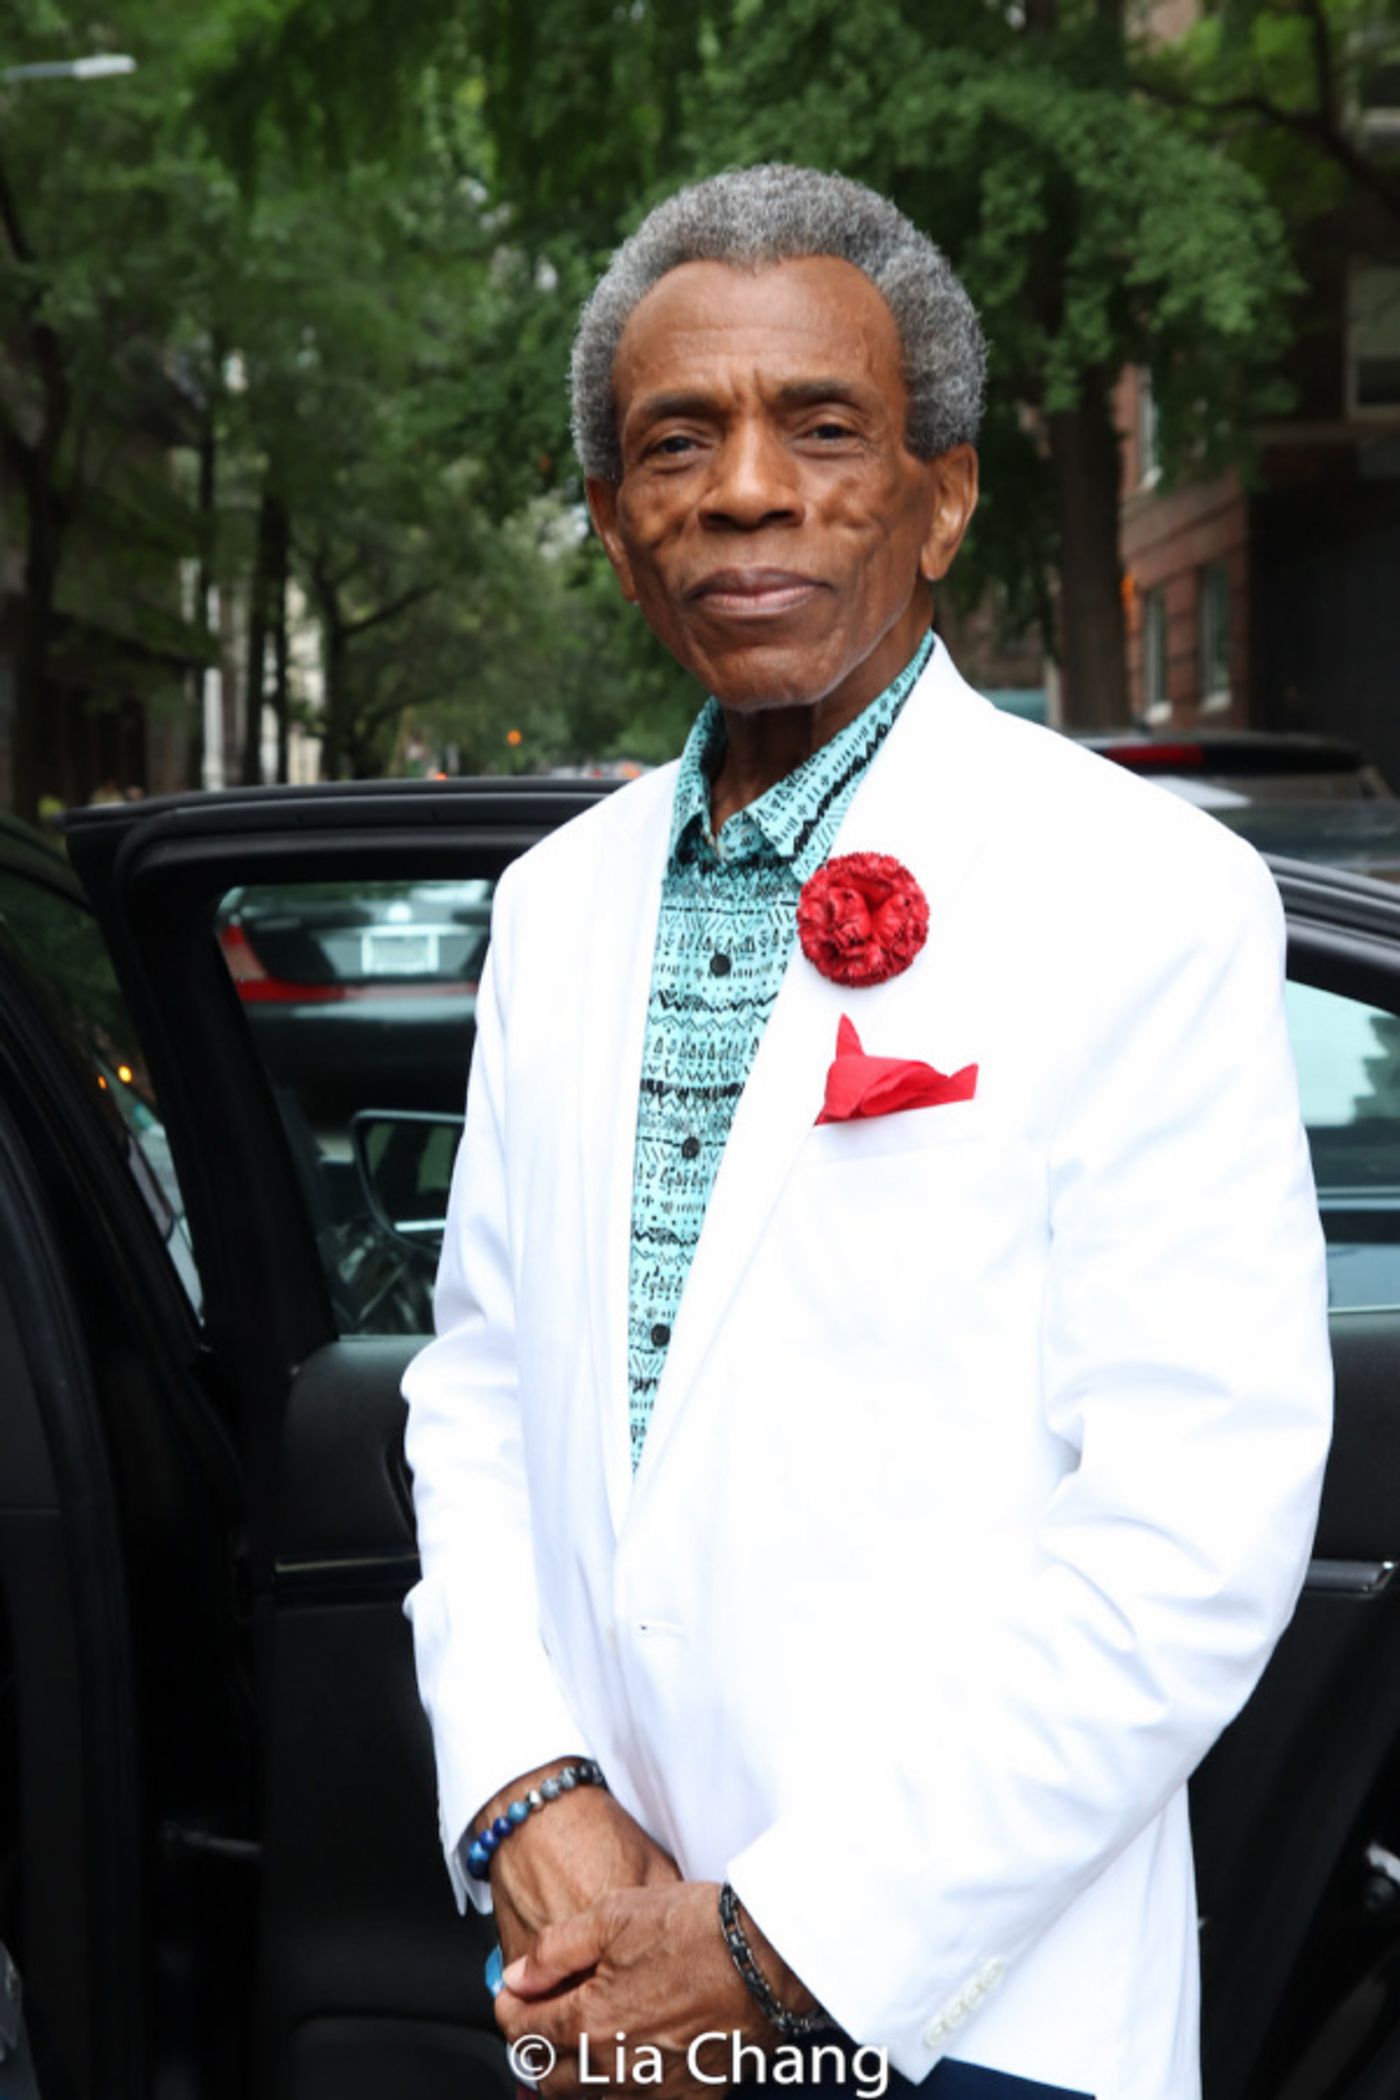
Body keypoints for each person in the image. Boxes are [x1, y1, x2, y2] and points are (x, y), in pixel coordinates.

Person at [401, 165, 1332, 2100]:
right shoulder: (554, 909)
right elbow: (478, 1392)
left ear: (945, 490)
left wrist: (780, 1936)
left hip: (977, 1995)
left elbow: (1192, 1520)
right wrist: (523, 1789)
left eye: (823, 428)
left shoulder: (1138, 890)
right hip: (600, 1965)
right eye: (680, 440)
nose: (748, 487)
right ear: (610, 519)